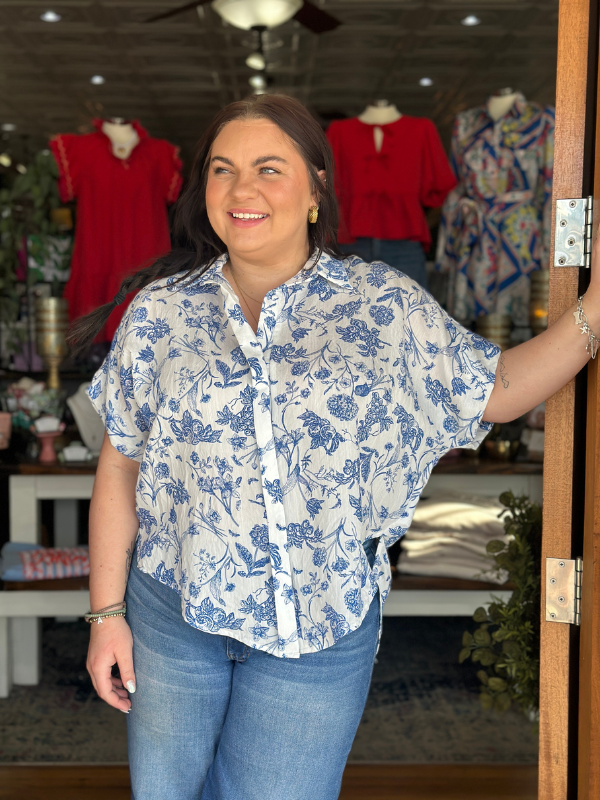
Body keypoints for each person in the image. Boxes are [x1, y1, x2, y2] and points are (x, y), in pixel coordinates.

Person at [69, 94, 599, 800]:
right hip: (174, 614)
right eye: (223, 171)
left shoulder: (382, 304)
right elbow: (120, 463)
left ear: (316, 186)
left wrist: (596, 311)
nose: (242, 190)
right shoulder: (162, 312)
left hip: (319, 624)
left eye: (268, 168)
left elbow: (497, 387)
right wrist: (106, 615)